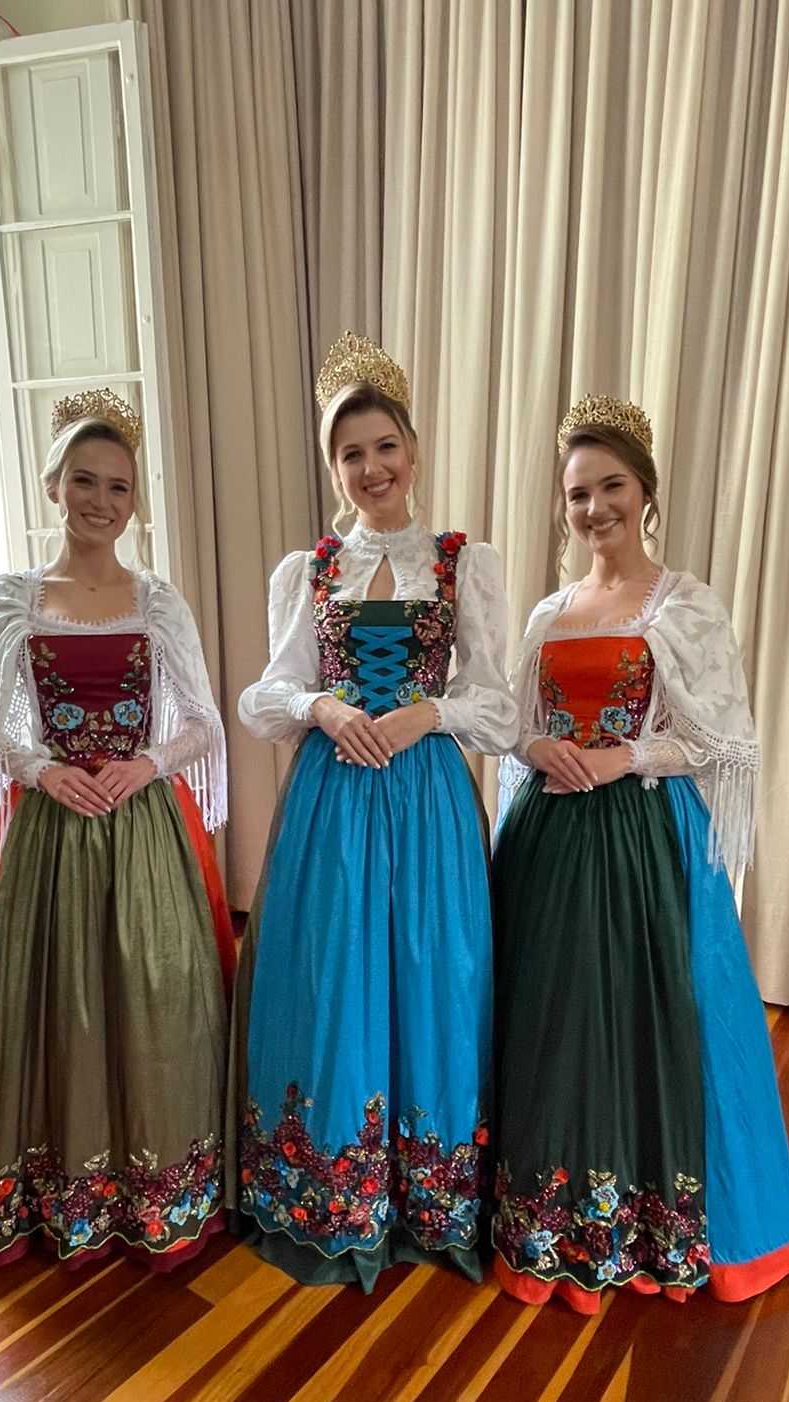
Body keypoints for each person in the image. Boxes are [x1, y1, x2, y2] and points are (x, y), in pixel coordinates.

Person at [492, 394, 789, 1313]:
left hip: (641, 839)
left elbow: (721, 739)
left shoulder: (684, 604)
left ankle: (644, 1219)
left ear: (645, 491)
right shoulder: (551, 612)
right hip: (550, 839)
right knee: (552, 1019)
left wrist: (622, 755)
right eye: (577, 494)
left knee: (645, 1016)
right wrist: (538, 746)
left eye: (611, 487)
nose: (595, 509)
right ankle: (550, 1221)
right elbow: (512, 722)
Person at [0, 388, 234, 1271]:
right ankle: (61, 1192)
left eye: (119, 486)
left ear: (135, 501)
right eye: (85, 481)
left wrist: (147, 763)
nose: (101, 500)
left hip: (144, 827)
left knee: (157, 996)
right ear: (53, 486)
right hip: (51, 830)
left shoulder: (158, 601)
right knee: (56, 1008)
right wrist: (42, 770)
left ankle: (163, 1187)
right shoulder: (14, 599)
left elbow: (203, 723)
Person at [233, 332, 518, 1290]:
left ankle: (430, 1195)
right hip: (334, 802)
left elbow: (498, 704)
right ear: (334, 468)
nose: (371, 468)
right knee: (334, 976)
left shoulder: (461, 562)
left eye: (384, 446)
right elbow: (266, 694)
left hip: (428, 794)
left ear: (414, 450)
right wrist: (325, 706)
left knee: (434, 974)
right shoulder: (309, 569)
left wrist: (426, 713)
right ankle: (335, 1190)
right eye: (350, 453)